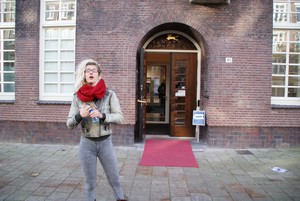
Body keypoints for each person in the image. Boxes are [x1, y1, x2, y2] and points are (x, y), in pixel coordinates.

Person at [66, 59, 127, 201]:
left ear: (99, 75)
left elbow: (120, 117)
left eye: (94, 70)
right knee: (90, 183)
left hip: (106, 143)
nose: (91, 72)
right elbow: (69, 124)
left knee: (115, 180)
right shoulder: (77, 97)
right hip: (87, 145)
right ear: (84, 75)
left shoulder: (109, 94)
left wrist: (102, 115)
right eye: (88, 71)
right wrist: (80, 115)